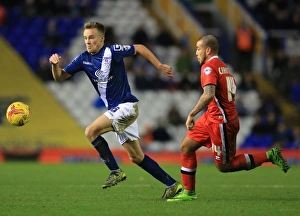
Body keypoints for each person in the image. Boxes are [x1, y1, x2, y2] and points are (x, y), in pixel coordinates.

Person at [49, 21, 182, 199]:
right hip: (117, 109)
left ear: (102, 38)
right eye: (85, 38)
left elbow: (140, 47)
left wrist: (159, 66)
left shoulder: (113, 52)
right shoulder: (83, 59)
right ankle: (172, 185)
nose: (88, 41)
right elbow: (60, 77)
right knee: (136, 157)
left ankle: (115, 171)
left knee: (91, 131)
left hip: (126, 106)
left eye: (92, 37)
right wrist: (54, 65)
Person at [167, 35, 290, 202]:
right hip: (211, 116)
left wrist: (191, 113)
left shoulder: (208, 67)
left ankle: (270, 155)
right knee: (186, 147)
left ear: (208, 50)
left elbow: (209, 94)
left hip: (221, 122)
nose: (196, 52)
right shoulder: (224, 67)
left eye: (198, 48)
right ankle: (189, 192)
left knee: (225, 166)